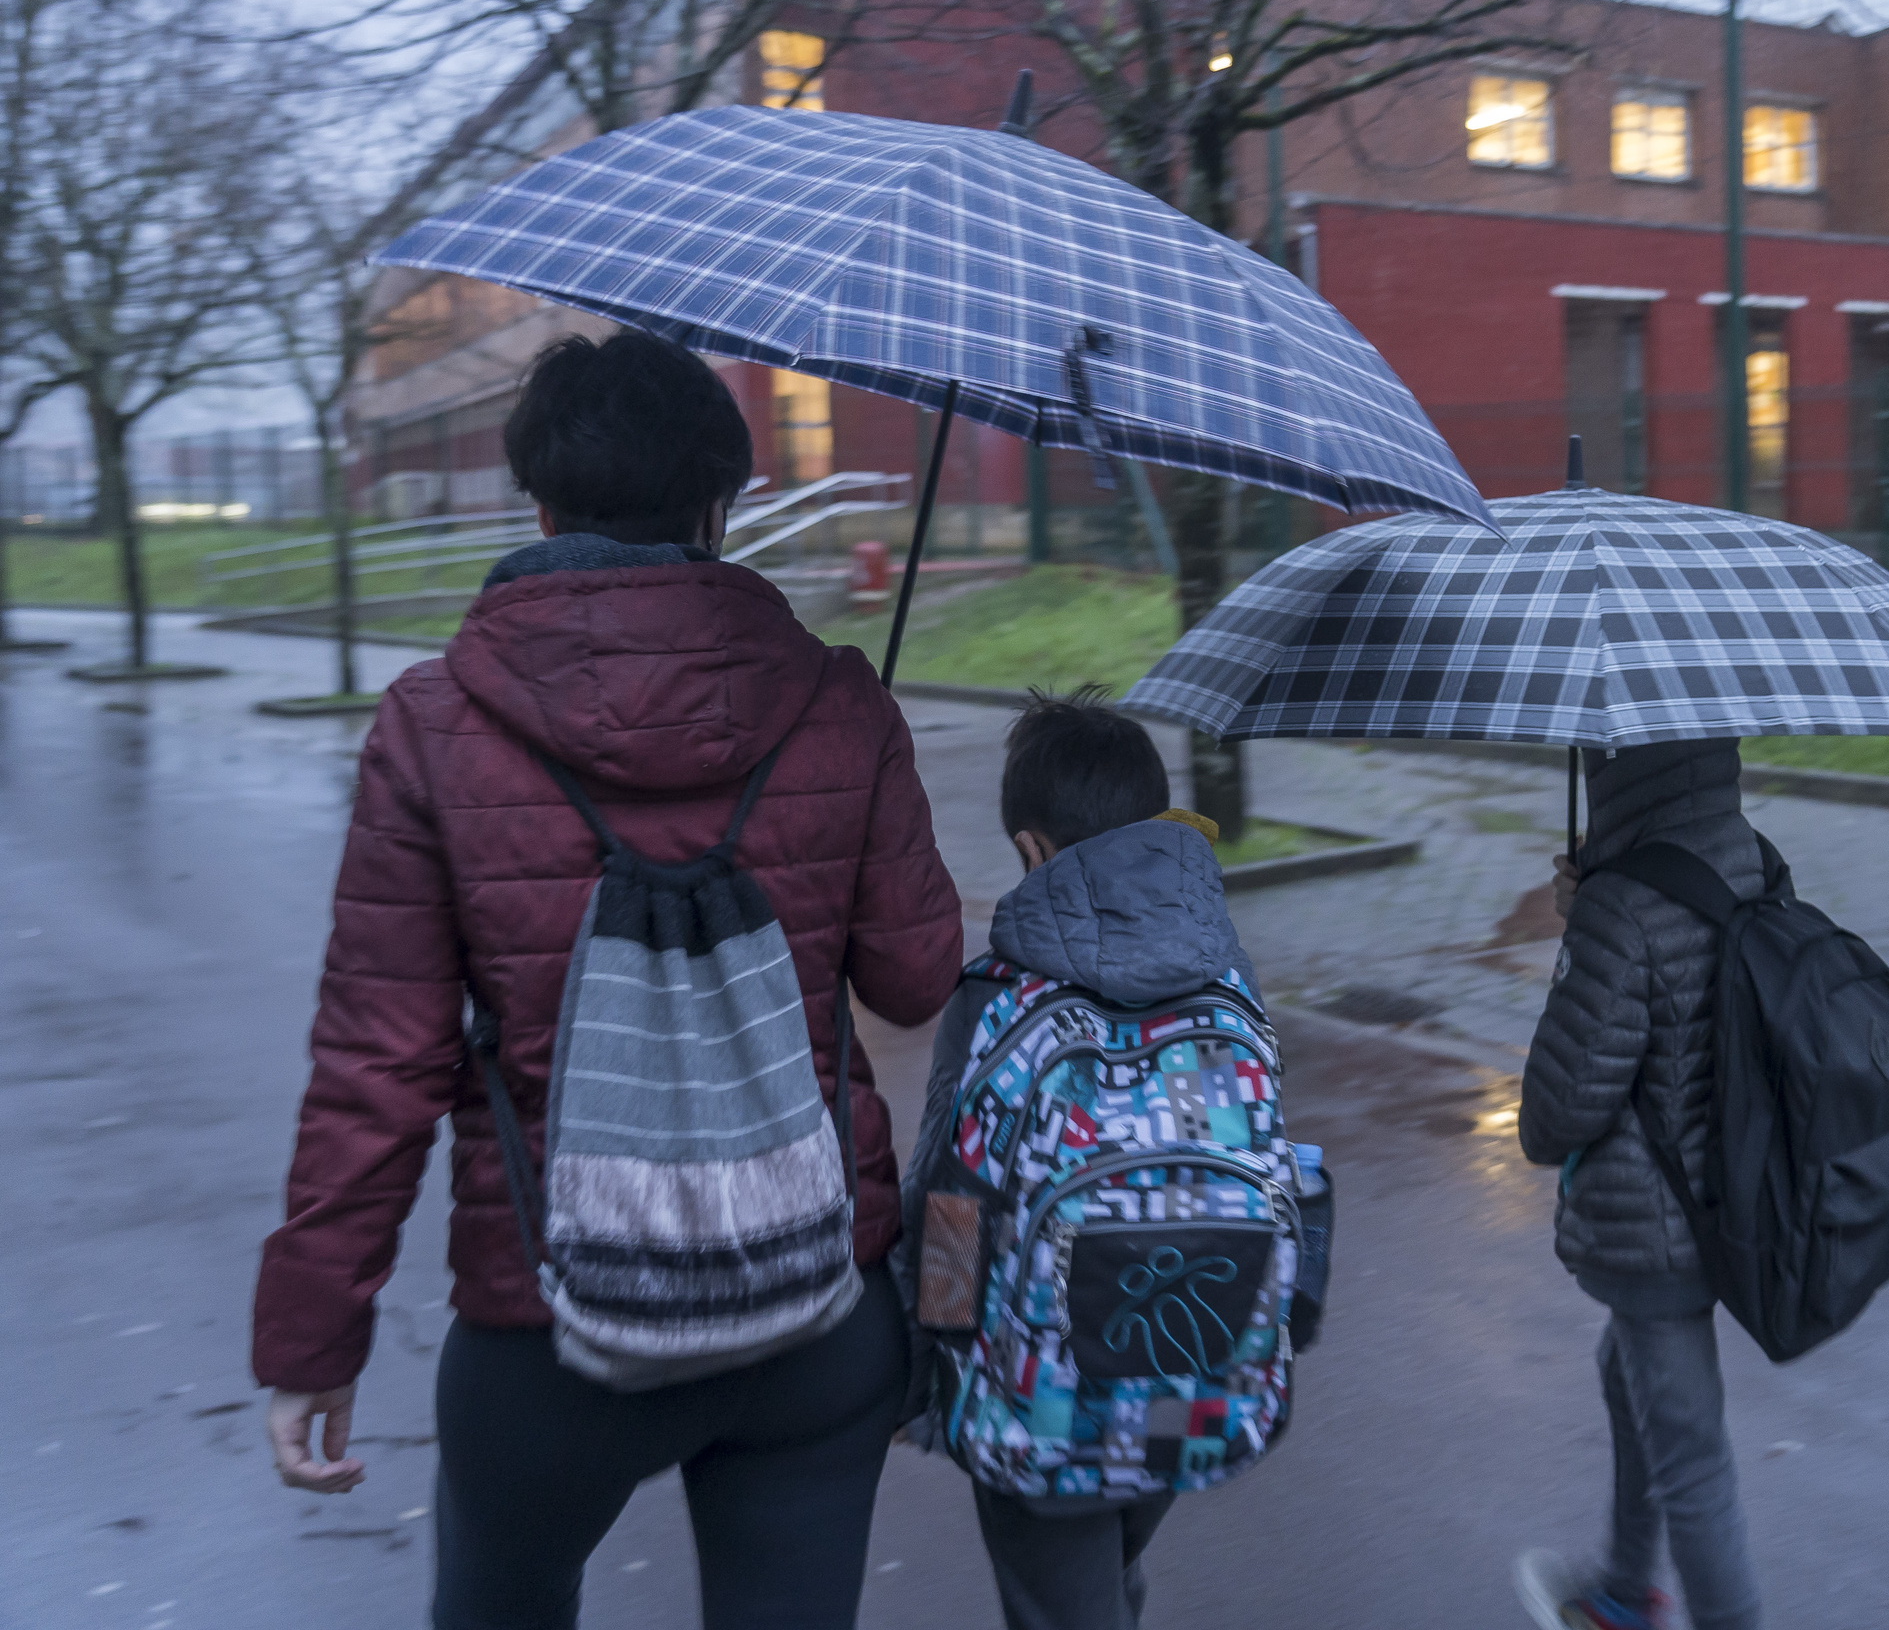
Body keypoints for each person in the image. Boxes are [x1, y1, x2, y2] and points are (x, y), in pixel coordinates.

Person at [252, 330, 962, 1630]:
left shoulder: (431, 724)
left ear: (539, 500)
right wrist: (860, 780)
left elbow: (378, 1065)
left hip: (549, 1331)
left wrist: (312, 1340)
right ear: (721, 503)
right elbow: (921, 981)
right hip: (815, 1311)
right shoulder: (843, 705)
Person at [929, 689, 1275, 1629]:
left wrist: (938, 1368)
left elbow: (953, 1200)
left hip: (1038, 1398)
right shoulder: (1226, 976)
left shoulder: (997, 996)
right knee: (1114, 1561)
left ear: (1031, 850)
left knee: (1063, 1593)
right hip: (1194, 1371)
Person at [1515, 741, 1763, 1630]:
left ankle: (1655, 1602)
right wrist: (1600, 906)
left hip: (1652, 1224)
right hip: (1735, 1197)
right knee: (1624, 1374)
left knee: (1692, 1464)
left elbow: (1553, 1118)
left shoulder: (1623, 907)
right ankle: (1622, 1586)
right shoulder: (1751, 858)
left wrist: (1587, 934)